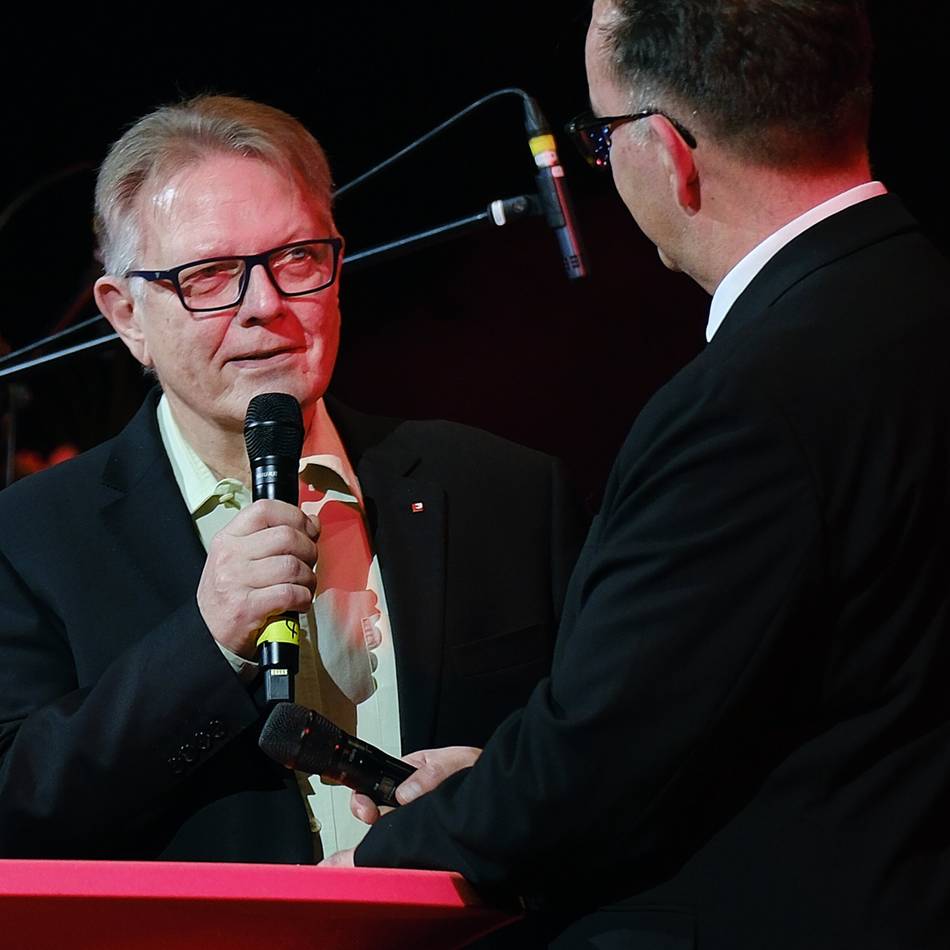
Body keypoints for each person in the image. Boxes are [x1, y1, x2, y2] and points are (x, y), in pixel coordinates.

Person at [328, 2, 950, 946]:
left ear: (667, 152)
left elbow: (600, 764)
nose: (601, 160)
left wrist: (377, 863)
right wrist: (497, 775)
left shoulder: (747, 404)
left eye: (598, 134)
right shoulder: (914, 296)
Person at [0, 95, 586, 863]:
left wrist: (503, 795)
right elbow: (16, 807)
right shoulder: (30, 538)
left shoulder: (505, 492)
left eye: (298, 258)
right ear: (127, 317)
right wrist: (205, 643)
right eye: (210, 275)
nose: (266, 305)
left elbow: (613, 761)